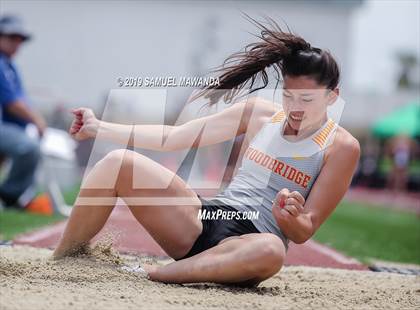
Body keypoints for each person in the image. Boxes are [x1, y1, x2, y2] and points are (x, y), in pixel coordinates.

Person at [53, 17, 360, 287]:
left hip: (247, 246)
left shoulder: (342, 147)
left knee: (273, 252)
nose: (295, 108)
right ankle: (64, 258)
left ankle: (157, 274)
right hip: (204, 220)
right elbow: (176, 137)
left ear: (333, 97)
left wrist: (289, 217)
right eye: (288, 96)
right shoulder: (259, 114)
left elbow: (305, 229)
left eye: (306, 99)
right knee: (117, 163)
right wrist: (98, 127)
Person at [0, 15, 48, 211]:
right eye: (12, 37)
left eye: (19, 39)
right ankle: (9, 197)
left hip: (8, 126)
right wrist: (37, 120)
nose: (17, 43)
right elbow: (12, 103)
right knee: (29, 148)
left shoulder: (9, 65)